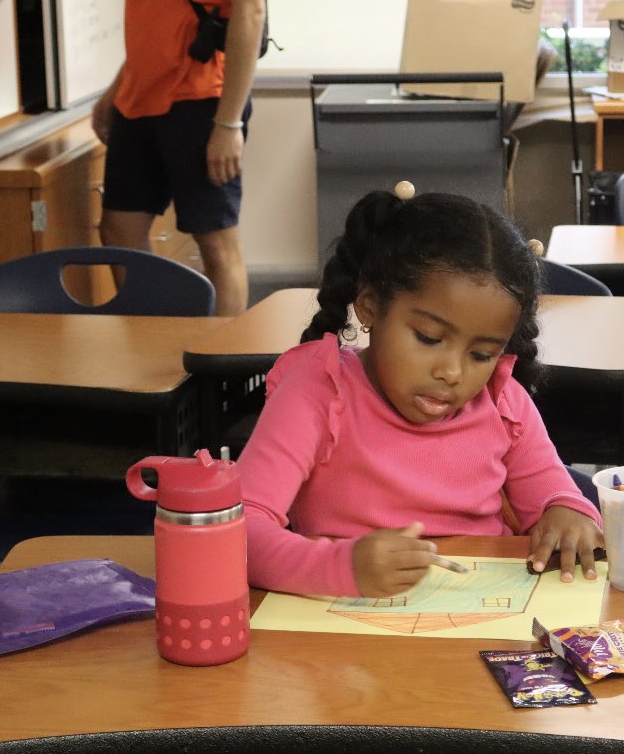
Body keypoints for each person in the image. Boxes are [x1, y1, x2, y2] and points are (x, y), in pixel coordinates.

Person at [235, 185, 604, 598]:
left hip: (476, 623)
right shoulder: (317, 391)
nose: (451, 372)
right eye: (428, 338)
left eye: (481, 354)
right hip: (338, 636)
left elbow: (555, 495)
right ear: (370, 306)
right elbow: (238, 529)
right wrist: (340, 568)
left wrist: (568, 515)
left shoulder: (503, 403)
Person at [91, 0, 266, 317]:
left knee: (216, 242)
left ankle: (225, 367)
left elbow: (251, 10)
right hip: (138, 100)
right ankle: (148, 346)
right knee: (118, 231)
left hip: (202, 100)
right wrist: (118, 85)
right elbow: (159, 19)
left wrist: (229, 123)